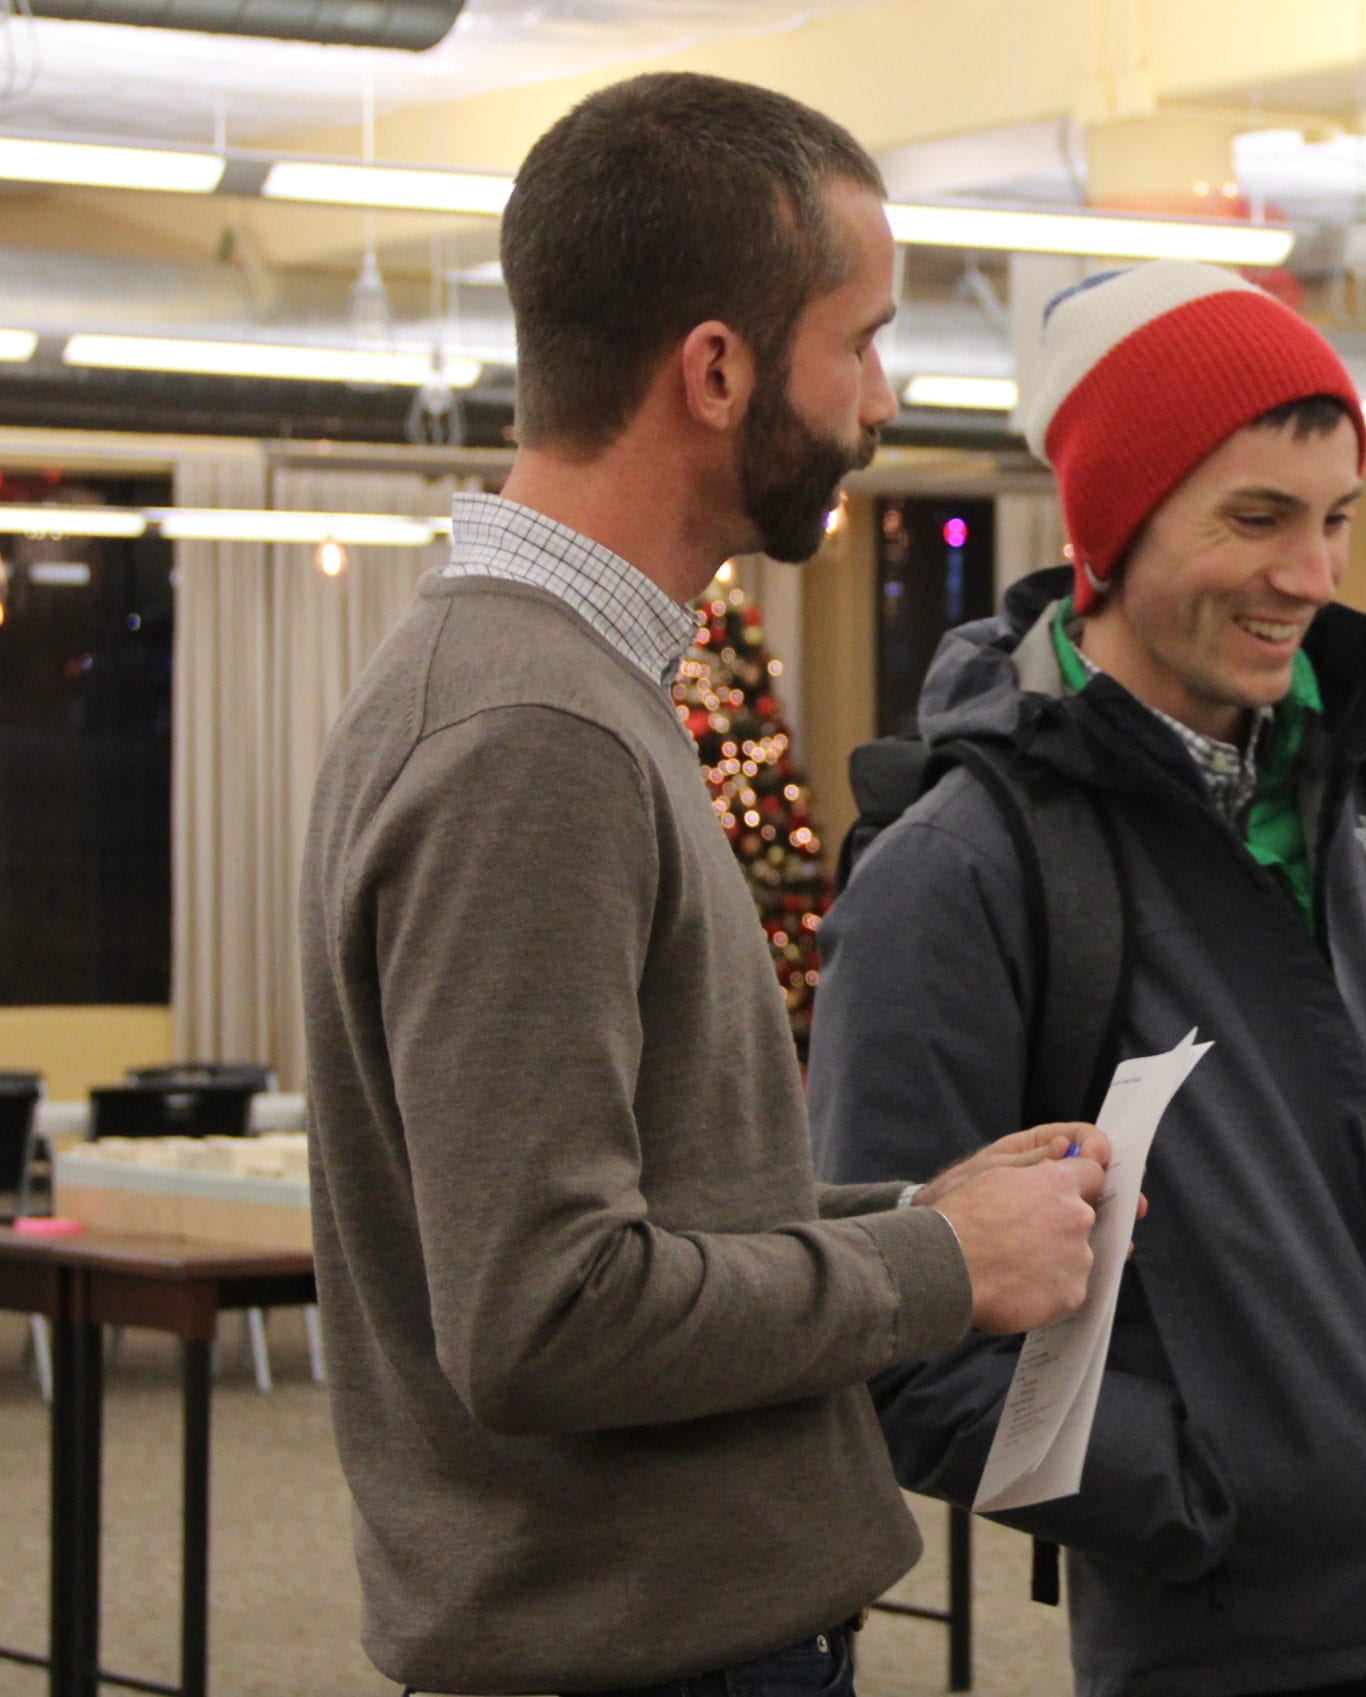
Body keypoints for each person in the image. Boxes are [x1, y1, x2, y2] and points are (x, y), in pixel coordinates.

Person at [299, 72, 1113, 1697]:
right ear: (719, 369)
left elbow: (643, 1220)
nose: (882, 400)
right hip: (645, 1661)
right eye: (860, 341)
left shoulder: (554, 683)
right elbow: (547, 1314)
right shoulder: (533, 731)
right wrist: (944, 1269)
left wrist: (925, 1215)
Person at [809, 260, 1366, 1697]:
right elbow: (890, 1325)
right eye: (1256, 519)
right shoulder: (962, 868)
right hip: (1254, 1644)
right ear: (1112, 526)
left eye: (1336, 518)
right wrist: (1207, 1489)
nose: (1311, 576)